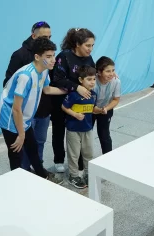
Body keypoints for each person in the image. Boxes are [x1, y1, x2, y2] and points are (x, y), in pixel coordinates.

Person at [0, 37, 65, 184]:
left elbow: (46, 89)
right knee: (16, 154)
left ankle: (42, 175)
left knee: (32, 148)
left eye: (53, 55)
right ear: (37, 57)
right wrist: (21, 134)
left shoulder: (44, 70)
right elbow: (16, 108)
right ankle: (17, 184)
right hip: (10, 118)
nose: (53, 60)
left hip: (23, 117)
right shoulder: (26, 76)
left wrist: (70, 90)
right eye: (48, 56)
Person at [3, 21, 52, 170]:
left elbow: (48, 86)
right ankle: (24, 174)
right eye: (44, 37)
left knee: (39, 142)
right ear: (33, 35)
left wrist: (72, 88)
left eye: (50, 37)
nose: (47, 40)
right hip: (23, 112)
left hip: (42, 108)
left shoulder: (48, 58)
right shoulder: (20, 56)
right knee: (22, 147)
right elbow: (7, 83)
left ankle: (39, 169)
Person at [49, 28, 96, 173]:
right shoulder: (64, 56)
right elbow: (57, 79)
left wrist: (111, 73)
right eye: (87, 45)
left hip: (81, 103)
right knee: (59, 130)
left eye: (92, 45)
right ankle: (59, 160)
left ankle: (80, 161)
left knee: (79, 131)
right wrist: (76, 87)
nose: (90, 49)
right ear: (77, 44)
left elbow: (93, 74)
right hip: (61, 101)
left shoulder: (89, 59)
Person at [62, 65, 100, 188]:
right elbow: (64, 107)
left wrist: (99, 110)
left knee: (88, 153)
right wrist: (75, 114)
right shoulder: (74, 95)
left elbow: (91, 109)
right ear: (80, 80)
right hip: (73, 130)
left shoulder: (93, 95)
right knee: (74, 154)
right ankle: (73, 175)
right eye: (89, 79)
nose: (92, 82)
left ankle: (88, 174)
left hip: (88, 129)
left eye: (94, 79)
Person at [93, 56, 121, 155]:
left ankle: (107, 158)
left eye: (113, 70)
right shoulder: (92, 82)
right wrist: (93, 109)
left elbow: (116, 99)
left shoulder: (116, 81)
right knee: (85, 136)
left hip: (106, 109)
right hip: (90, 109)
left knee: (104, 135)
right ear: (99, 72)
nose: (111, 74)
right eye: (108, 71)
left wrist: (106, 108)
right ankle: (81, 163)